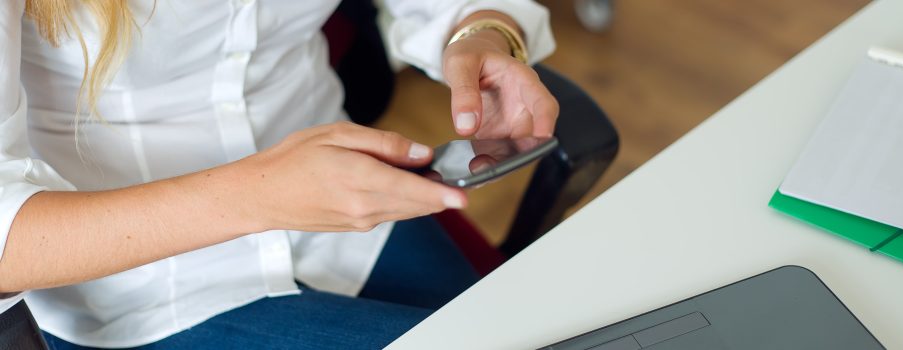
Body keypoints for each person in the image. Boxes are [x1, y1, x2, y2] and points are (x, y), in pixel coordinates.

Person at [0, 0, 557, 348]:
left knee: (563, 330)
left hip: (350, 210)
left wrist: (482, 36)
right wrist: (259, 195)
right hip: (137, 284)